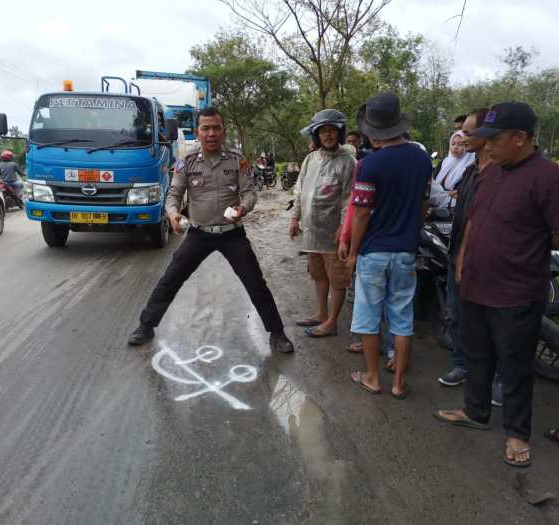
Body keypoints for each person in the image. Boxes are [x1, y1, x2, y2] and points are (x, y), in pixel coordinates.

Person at [435, 102, 559, 468]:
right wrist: (461, 261)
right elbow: (472, 221)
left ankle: (517, 434)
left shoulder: (550, 178)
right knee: (477, 354)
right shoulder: (491, 173)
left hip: (515, 292)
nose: (487, 146)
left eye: (495, 139)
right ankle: (476, 411)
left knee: (516, 365)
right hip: (475, 283)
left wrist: (529, 241)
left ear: (520, 138)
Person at [128, 107, 294, 354]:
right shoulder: (187, 161)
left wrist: (244, 208)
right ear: (198, 132)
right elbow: (173, 194)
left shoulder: (238, 160)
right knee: (170, 279)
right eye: (206, 128)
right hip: (199, 234)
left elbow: (249, 192)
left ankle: (277, 332)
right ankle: (146, 325)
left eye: (216, 128)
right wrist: (173, 214)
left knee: (255, 282)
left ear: (224, 131)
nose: (211, 133)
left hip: (232, 233)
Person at [346, 92, 433, 398]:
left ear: (372, 129)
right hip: (406, 251)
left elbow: (362, 212)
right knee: (402, 316)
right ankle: (398, 384)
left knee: (369, 317)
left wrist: (353, 252)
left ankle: (372, 378)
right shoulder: (422, 159)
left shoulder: (371, 164)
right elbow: (424, 203)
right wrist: (411, 229)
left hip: (374, 252)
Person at [290, 109, 356, 338]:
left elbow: (350, 199)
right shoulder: (311, 158)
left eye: (332, 130)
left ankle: (332, 322)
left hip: (333, 234)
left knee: (337, 279)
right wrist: (294, 218)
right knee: (318, 275)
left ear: (339, 133)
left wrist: (344, 230)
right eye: (323, 131)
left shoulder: (349, 162)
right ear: (316, 135)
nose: (328, 135)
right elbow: (300, 190)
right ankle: (321, 313)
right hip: (312, 232)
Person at [437, 109, 489, 387]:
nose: (462, 138)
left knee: (489, 323)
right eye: (460, 134)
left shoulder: (501, 174)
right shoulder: (470, 170)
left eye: (468, 133)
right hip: (457, 254)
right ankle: (461, 365)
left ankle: (498, 379)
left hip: (488, 263)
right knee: (455, 315)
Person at [429, 131, 474, 208]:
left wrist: (457, 193)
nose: (455, 147)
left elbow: (466, 191)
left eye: (460, 145)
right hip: (436, 203)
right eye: (453, 144)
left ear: (466, 145)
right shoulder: (444, 162)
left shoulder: (470, 167)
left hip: (455, 207)